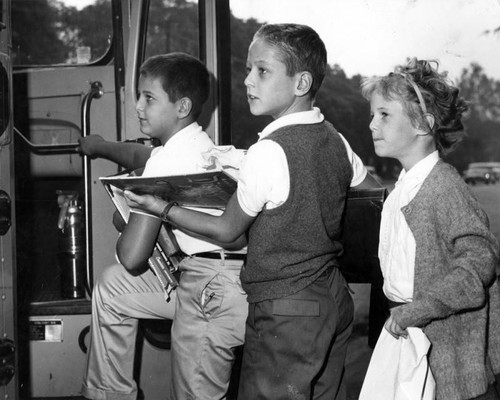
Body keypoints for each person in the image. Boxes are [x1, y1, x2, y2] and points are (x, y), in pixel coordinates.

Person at [125, 23, 380, 400]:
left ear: (301, 83)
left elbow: (228, 231)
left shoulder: (268, 151)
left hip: (285, 307)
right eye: (248, 69)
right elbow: (374, 195)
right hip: (334, 299)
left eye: (262, 71)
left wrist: (163, 207)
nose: (247, 81)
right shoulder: (334, 139)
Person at [80, 52, 248, 400]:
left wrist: (124, 216)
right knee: (112, 288)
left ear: (182, 107)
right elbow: (142, 156)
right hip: (233, 282)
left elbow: (132, 257)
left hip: (210, 292)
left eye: (149, 98)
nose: (138, 106)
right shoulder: (198, 146)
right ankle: (109, 394)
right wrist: (101, 148)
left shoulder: (167, 162)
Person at [360, 57, 500, 400]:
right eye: (373, 114)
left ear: (423, 124)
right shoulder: (401, 189)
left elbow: (476, 269)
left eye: (384, 115)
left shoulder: (443, 187)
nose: (371, 125)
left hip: (448, 353)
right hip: (411, 338)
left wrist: (414, 311)